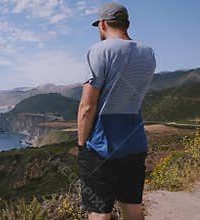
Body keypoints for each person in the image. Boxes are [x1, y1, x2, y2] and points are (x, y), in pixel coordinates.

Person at [76, 2, 156, 220]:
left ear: (102, 24)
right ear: (126, 23)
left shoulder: (98, 51)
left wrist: (82, 145)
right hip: (135, 141)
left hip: (102, 145)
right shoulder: (148, 53)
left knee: (100, 212)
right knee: (132, 207)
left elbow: (87, 107)